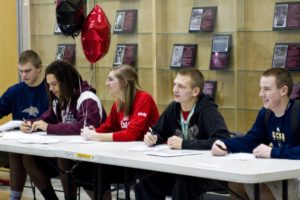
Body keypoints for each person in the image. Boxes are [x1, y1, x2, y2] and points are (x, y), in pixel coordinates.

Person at [134, 68, 230, 200]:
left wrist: (184, 144)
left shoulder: (208, 111)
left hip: (203, 171)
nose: (175, 89)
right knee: (144, 175)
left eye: (181, 86)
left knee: (184, 180)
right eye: (175, 84)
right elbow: (158, 131)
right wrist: (153, 137)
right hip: (178, 167)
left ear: (195, 91)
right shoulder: (173, 108)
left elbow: (222, 140)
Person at [19, 60, 106, 200]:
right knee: (28, 157)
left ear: (66, 81)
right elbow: (47, 119)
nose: (51, 88)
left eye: (54, 84)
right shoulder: (59, 100)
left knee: (63, 157)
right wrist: (31, 124)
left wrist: (49, 128)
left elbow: (84, 127)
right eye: (49, 85)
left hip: (92, 158)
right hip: (70, 156)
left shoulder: (87, 98)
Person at [211, 68, 300, 200]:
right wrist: (225, 144)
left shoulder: (297, 113)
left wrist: (272, 152)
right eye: (261, 89)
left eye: (267, 89)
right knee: (236, 185)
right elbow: (251, 140)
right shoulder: (266, 113)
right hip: (278, 173)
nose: (260, 94)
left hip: (296, 176)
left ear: (283, 91)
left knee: (262, 190)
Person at [80, 64, 159, 197]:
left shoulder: (143, 98)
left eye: (111, 80)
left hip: (142, 161)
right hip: (125, 156)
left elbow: (132, 134)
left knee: (97, 171)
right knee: (85, 170)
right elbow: (108, 126)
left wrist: (96, 136)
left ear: (123, 82)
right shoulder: (118, 103)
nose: (106, 83)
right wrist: (95, 131)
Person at [0, 50, 48, 200]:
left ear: (39, 68)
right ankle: (14, 197)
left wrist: (34, 125)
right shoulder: (15, 91)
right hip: (19, 143)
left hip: (44, 144)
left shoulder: (50, 89)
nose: (24, 75)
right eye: (21, 71)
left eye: (28, 71)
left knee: (21, 153)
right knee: (16, 150)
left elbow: (55, 119)